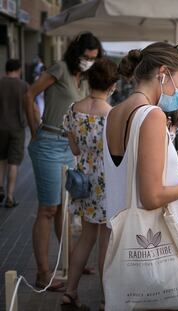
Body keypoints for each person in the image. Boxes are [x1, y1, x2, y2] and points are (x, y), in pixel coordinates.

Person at [103, 43, 178, 305]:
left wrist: (176, 168)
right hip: (149, 242)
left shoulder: (115, 112)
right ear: (163, 72)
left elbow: (130, 167)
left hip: (122, 238)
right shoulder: (152, 115)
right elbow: (151, 197)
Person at [24, 32, 103, 291]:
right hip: (48, 143)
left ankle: (71, 262)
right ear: (76, 53)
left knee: (63, 208)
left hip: (69, 146)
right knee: (48, 209)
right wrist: (35, 128)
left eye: (93, 58)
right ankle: (43, 273)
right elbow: (29, 94)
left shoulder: (86, 79)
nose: (89, 62)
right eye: (85, 57)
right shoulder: (60, 69)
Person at [60, 58, 117, 311]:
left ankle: (69, 292)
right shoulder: (113, 115)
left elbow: (73, 147)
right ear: (113, 85)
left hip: (83, 181)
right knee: (106, 241)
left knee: (86, 237)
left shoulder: (74, 109)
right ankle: (106, 300)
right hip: (106, 183)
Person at [0, 59, 29, 207]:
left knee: (1, 159)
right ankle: (10, 196)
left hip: (0, 127)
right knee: (13, 162)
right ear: (19, 69)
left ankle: (0, 188)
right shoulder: (23, 86)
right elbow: (30, 107)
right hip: (17, 128)